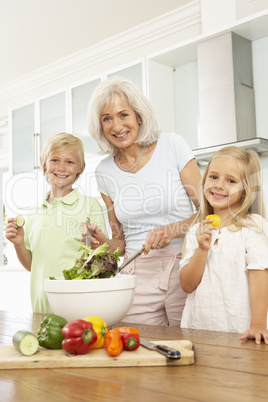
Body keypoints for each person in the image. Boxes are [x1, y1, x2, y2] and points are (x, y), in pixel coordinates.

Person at [85, 76, 201, 326]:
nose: (117, 126)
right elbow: (121, 241)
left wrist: (173, 229)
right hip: (136, 271)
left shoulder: (173, 145)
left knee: (190, 349)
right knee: (136, 349)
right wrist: (103, 245)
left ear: (138, 115)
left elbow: (210, 212)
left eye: (123, 114)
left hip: (184, 264)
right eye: (107, 118)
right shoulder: (104, 172)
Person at [5, 132, 107, 314]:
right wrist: (19, 244)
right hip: (41, 309)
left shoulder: (90, 206)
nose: (61, 167)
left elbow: (101, 259)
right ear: (44, 163)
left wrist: (91, 246)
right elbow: (32, 265)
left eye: (69, 162)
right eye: (55, 160)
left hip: (79, 309)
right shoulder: (33, 212)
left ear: (80, 168)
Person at [179, 146, 268, 344]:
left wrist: (259, 324)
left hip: (241, 332)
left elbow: (259, 275)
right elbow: (187, 285)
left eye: (231, 181)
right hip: (198, 332)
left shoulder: (252, 226)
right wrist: (202, 250)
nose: (219, 185)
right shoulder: (196, 230)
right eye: (213, 177)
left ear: (245, 190)